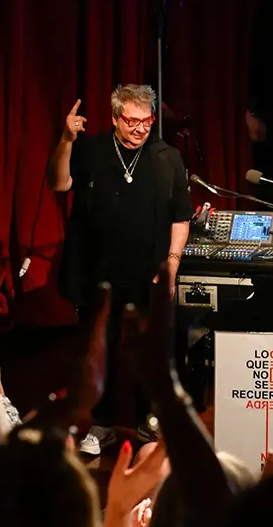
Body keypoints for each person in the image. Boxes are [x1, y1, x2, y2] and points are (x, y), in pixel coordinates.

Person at [48, 84, 193, 453]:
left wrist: (173, 264)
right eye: (132, 121)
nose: (140, 128)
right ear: (115, 118)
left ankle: (150, 421)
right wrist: (66, 139)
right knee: (100, 352)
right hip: (99, 274)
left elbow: (181, 217)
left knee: (152, 351)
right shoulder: (92, 151)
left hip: (149, 275)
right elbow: (59, 182)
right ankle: (100, 426)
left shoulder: (167, 158)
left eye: (147, 121)